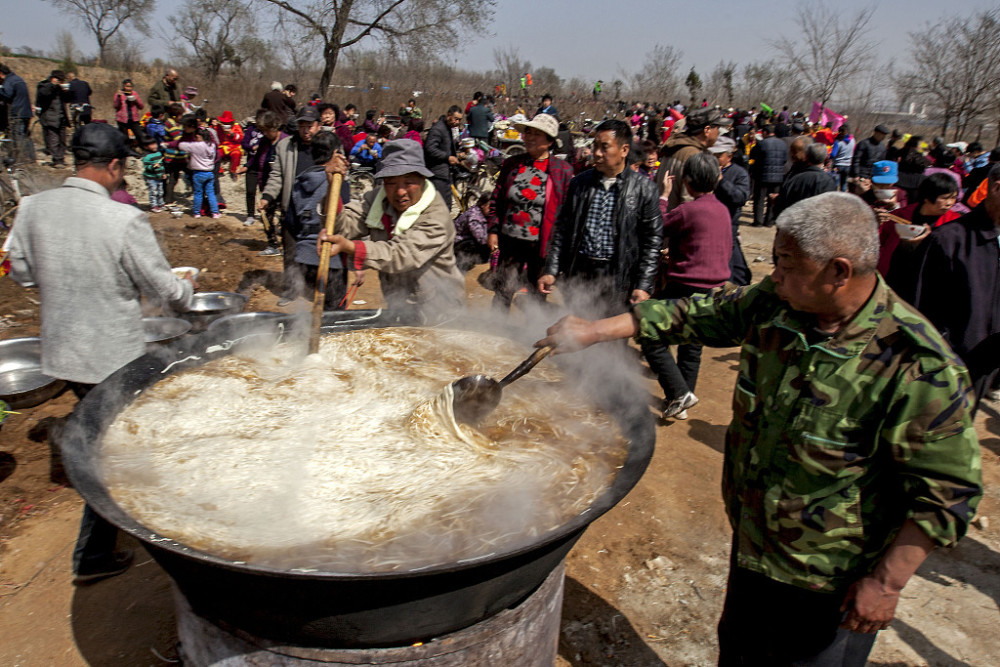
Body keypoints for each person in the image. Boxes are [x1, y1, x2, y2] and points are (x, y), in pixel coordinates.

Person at [536, 191, 982, 666]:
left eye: (788, 265)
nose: (776, 276)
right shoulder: (778, 305)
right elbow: (699, 314)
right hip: (754, 548)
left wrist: (886, 583)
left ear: (838, 272)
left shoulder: (916, 366)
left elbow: (948, 493)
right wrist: (593, 331)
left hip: (830, 578)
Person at [6, 123, 195, 584]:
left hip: (61, 351)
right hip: (112, 357)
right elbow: (165, 290)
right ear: (114, 166)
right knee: (114, 452)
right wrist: (186, 286)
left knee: (103, 438)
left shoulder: (32, 208)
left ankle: (125, 527)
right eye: (122, 169)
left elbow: (23, 275)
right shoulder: (121, 219)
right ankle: (95, 553)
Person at [317, 139, 465, 322]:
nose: (400, 191)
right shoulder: (377, 201)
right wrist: (333, 187)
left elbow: (400, 254)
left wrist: (350, 247)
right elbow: (344, 227)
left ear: (422, 180)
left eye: (408, 182)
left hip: (439, 307)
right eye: (392, 183)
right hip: (399, 299)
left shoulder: (436, 216)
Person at [538, 119, 662, 316]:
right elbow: (563, 228)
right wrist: (551, 269)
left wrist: (644, 285)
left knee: (610, 336)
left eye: (604, 147)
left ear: (624, 150)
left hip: (619, 277)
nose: (596, 153)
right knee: (576, 330)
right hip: (580, 273)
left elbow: (652, 241)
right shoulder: (580, 183)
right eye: (595, 146)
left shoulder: (644, 189)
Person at [645, 153, 732, 419]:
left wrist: (663, 196)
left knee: (651, 335)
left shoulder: (689, 210)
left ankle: (679, 392)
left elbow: (658, 226)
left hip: (682, 286)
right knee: (691, 347)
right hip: (710, 291)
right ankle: (682, 397)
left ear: (688, 182)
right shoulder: (722, 210)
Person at [908, 163, 1000, 410]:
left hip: (986, 366)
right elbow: (918, 310)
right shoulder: (948, 240)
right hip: (944, 367)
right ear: (997, 189)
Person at [485, 112, 575, 311]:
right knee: (503, 290)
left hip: (542, 245)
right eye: (528, 132)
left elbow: (566, 212)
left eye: (537, 134)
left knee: (537, 293)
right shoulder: (512, 164)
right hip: (510, 240)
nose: (530, 137)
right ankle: (494, 331)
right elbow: (497, 200)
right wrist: (493, 230)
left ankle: (530, 337)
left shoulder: (563, 171)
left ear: (550, 141)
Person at [260, 106, 324, 302]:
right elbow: (277, 175)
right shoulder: (285, 146)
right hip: (292, 208)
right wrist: (268, 196)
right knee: (290, 252)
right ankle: (290, 290)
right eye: (302, 125)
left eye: (310, 126)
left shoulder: (326, 145)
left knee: (316, 250)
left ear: (318, 126)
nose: (306, 130)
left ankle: (315, 288)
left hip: (317, 210)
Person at [282, 130, 351, 308]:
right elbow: (346, 223)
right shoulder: (337, 181)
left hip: (304, 258)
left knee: (317, 305)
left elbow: (291, 222)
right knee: (334, 312)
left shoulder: (298, 182)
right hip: (331, 257)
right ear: (336, 152)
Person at [657, 107, 732, 212]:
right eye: (717, 128)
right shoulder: (694, 155)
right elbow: (689, 202)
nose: (718, 133)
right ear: (707, 130)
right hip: (680, 222)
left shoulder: (675, 146)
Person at [241, 110, 286, 255]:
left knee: (286, 218)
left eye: (267, 130)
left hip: (284, 186)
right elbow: (257, 157)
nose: (265, 134)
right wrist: (247, 166)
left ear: (274, 128)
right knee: (267, 214)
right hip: (267, 184)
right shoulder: (265, 142)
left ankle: (287, 245)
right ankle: (272, 244)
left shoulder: (286, 142)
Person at [709, 136, 752, 286]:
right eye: (712, 155)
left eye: (718, 156)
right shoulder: (706, 169)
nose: (714, 159)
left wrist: (722, 181)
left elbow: (740, 197)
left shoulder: (739, 173)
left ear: (729, 156)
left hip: (729, 226)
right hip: (710, 226)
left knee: (734, 269)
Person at [773, 142, 837, 218]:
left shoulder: (794, 178)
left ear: (806, 157)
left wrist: (776, 200)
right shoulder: (828, 181)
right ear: (825, 158)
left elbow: (781, 206)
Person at [169, 128, 220, 218]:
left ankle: (197, 213)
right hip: (209, 172)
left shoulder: (197, 146)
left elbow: (181, 145)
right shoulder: (212, 145)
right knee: (210, 193)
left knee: (198, 194)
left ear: (198, 136)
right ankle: (215, 213)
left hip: (198, 173)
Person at [424, 105, 464, 209]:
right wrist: (447, 157)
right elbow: (430, 148)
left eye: (459, 120)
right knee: (440, 207)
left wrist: (457, 150)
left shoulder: (447, 128)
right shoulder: (438, 129)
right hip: (436, 174)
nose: (457, 122)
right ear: (449, 115)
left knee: (447, 205)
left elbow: (445, 147)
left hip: (445, 173)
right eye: (456, 119)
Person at [748, 125, 789, 226]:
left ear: (765, 132)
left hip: (762, 175)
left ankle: (758, 221)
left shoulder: (762, 143)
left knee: (759, 199)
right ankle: (769, 221)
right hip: (778, 176)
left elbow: (752, 155)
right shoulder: (782, 144)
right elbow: (785, 159)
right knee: (773, 200)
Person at [35, 70, 71, 168]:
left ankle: (61, 158)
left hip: (61, 117)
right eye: (60, 80)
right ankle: (57, 160)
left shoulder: (61, 88)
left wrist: (66, 91)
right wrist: (53, 85)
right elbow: (43, 94)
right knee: (54, 140)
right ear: (54, 79)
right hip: (50, 117)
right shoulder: (44, 85)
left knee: (62, 140)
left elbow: (68, 99)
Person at [0, 63, 33, 161]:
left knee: (17, 138)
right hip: (26, 113)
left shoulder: (9, 81)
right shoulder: (18, 79)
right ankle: (30, 158)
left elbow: (7, 94)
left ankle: (20, 160)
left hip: (17, 113)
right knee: (25, 136)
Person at [453, 192, 492, 271]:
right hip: (459, 244)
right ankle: (461, 265)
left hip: (471, 240)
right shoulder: (474, 217)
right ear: (482, 205)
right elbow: (482, 238)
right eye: (490, 207)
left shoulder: (485, 213)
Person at [113, 78, 145, 145]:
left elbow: (141, 106)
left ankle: (142, 147)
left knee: (139, 135)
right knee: (125, 137)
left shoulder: (134, 93)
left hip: (133, 118)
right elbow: (116, 106)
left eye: (130, 86)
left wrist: (135, 100)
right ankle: (127, 150)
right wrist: (119, 97)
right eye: (127, 86)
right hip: (122, 119)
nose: (129, 88)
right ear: (123, 86)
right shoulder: (119, 94)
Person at [141, 139, 166, 212]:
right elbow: (146, 167)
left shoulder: (159, 153)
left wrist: (163, 173)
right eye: (151, 145)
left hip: (159, 176)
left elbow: (161, 165)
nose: (154, 146)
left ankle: (161, 203)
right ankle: (154, 205)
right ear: (146, 147)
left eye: (155, 143)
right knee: (153, 191)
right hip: (151, 177)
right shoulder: (146, 157)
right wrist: (152, 166)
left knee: (160, 191)